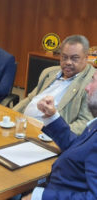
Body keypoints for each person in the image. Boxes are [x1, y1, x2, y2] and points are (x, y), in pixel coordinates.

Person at [22, 70, 97, 200]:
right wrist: (52, 117)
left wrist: (39, 197)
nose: (86, 87)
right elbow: (79, 148)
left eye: (93, 81)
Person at [14, 35, 96, 135]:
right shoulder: (49, 72)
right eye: (64, 57)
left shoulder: (92, 83)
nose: (68, 62)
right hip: (22, 126)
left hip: (48, 137)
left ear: (86, 58)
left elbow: (85, 123)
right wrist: (11, 114)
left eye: (74, 58)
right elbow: (30, 99)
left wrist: (56, 134)